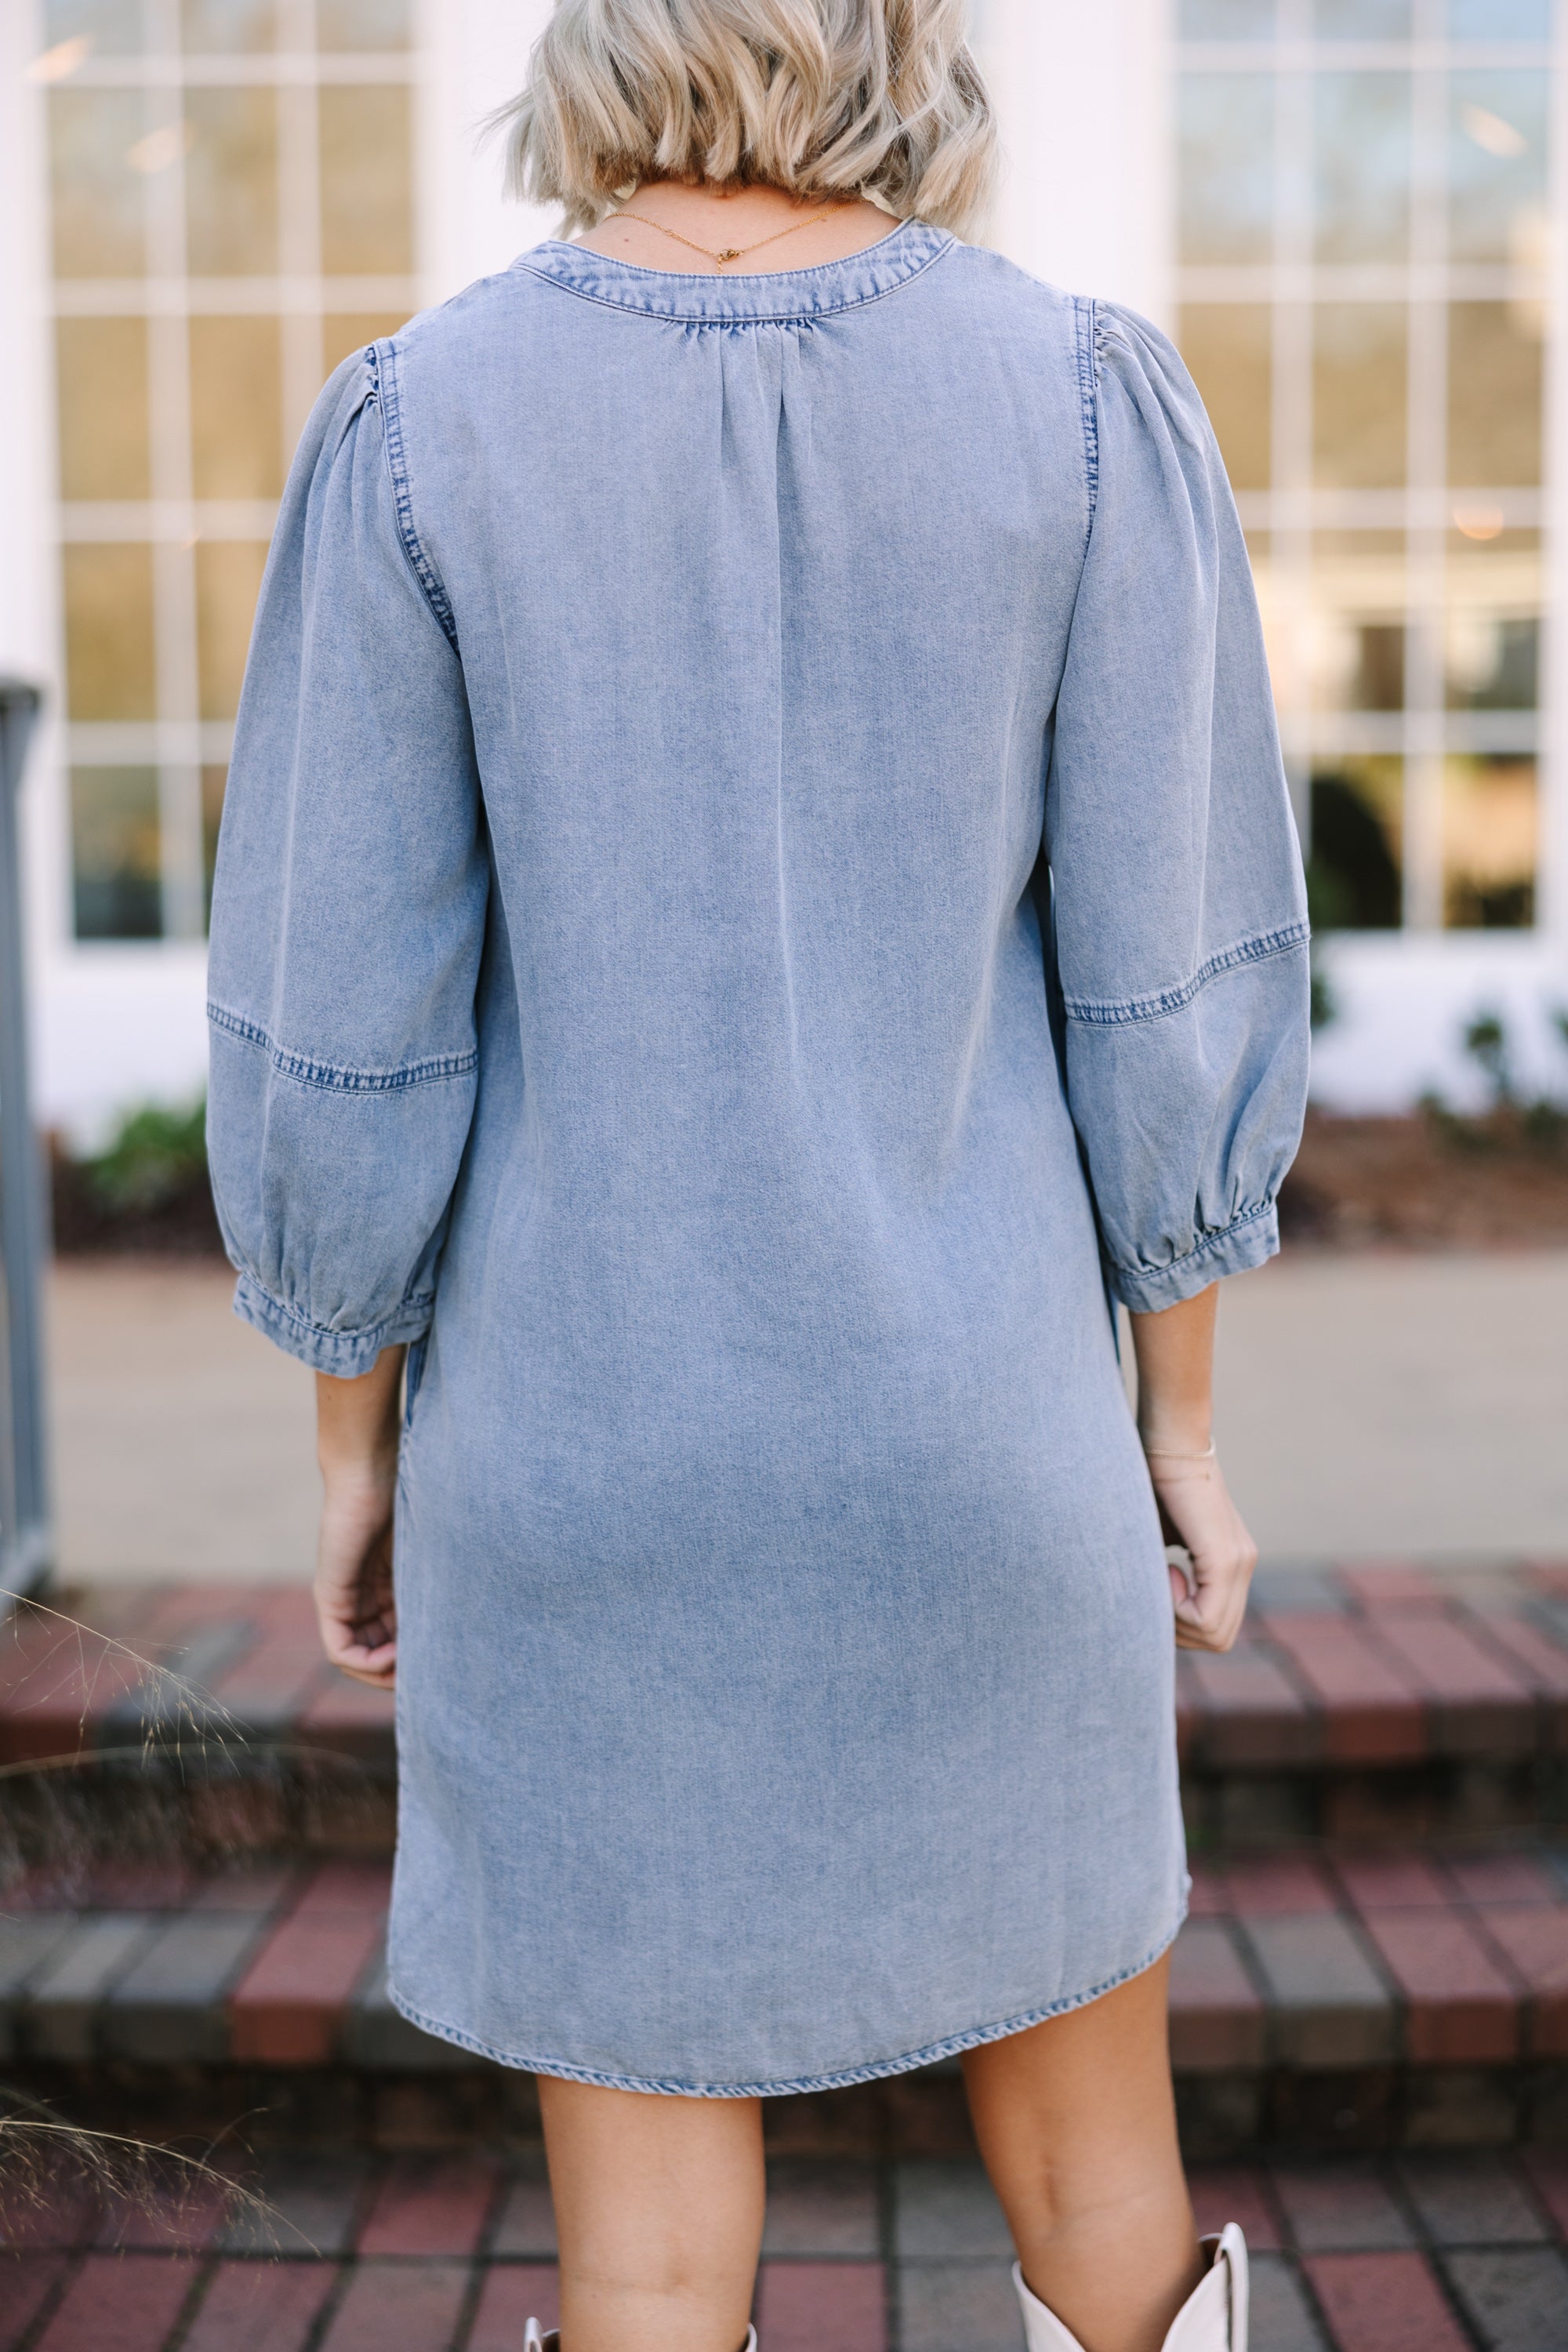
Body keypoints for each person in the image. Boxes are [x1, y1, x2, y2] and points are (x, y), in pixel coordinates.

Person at [205, 5, 1308, 2348]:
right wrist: (1183, 1427)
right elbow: (1164, 985)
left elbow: (349, 1028)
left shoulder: (422, 426)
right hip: (982, 1458)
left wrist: (348, 1432)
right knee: (1109, 2194)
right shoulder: (1089, 404)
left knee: (650, 2269)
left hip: (588, 1471)